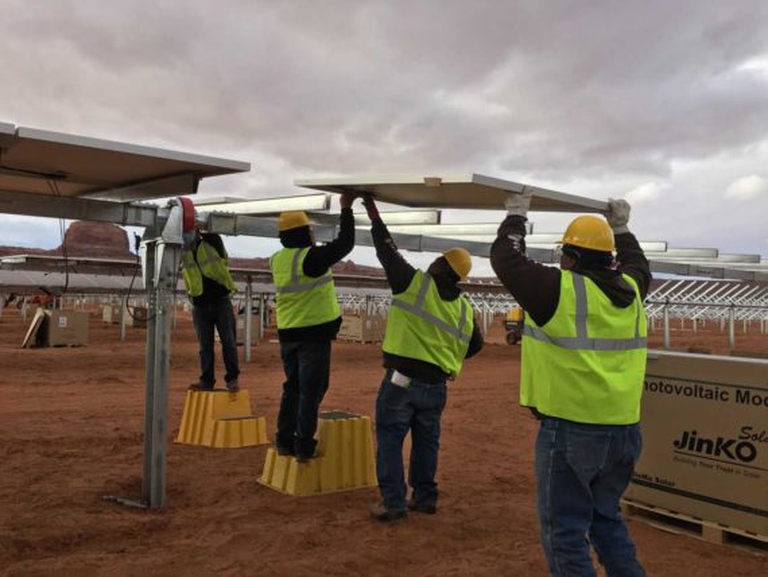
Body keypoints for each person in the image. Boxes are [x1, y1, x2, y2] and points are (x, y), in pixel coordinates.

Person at [490, 192, 651, 577]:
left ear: (572, 257)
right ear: (610, 257)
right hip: (623, 431)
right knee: (605, 519)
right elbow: (638, 265)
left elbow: (505, 258)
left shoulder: (561, 289)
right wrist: (622, 228)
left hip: (573, 432)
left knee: (564, 532)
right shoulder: (632, 292)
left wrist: (516, 217)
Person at [363, 195, 484, 521]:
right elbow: (475, 346)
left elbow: (385, 249)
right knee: (427, 440)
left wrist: (369, 208)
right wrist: (444, 351)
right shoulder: (463, 309)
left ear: (441, 266)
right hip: (436, 384)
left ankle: (393, 502)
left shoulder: (414, 283)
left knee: (390, 437)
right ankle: (425, 497)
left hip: (401, 380)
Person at [270, 193, 357, 462]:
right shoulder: (309, 259)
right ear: (301, 232)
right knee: (311, 390)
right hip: (312, 336)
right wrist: (346, 209)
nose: (312, 233)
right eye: (308, 229)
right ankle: (304, 445)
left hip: (289, 333)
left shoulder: (278, 259)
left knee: (293, 387)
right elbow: (345, 243)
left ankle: (284, 440)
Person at [181, 229, 240, 392]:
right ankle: (206, 380)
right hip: (200, 304)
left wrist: (194, 224)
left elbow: (213, 234)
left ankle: (232, 379)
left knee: (228, 342)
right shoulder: (182, 253)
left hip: (220, 301)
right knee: (205, 345)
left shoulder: (211, 243)